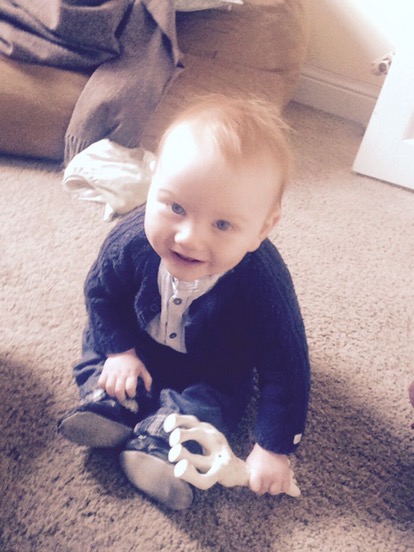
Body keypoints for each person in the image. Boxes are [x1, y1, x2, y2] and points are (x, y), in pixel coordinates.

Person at [58, 94, 311, 511]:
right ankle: (111, 404)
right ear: (153, 184)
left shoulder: (264, 284)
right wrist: (120, 351)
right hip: (137, 342)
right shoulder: (130, 240)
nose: (188, 237)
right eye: (175, 207)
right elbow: (102, 293)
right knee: (98, 349)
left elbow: (286, 366)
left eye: (222, 224)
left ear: (262, 229)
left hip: (211, 366)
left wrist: (274, 446)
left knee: (215, 399)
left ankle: (163, 440)